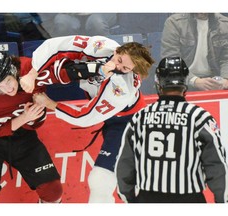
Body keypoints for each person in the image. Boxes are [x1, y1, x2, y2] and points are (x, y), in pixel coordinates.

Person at [22, 35, 155, 202]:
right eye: (119, 59)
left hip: (127, 123)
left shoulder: (120, 89)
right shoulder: (102, 46)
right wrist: (32, 73)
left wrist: (50, 104)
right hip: (107, 111)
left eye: (126, 68)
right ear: (117, 50)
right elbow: (55, 45)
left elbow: (83, 117)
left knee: (100, 180)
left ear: (132, 71)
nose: (117, 66)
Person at [115, 56, 228, 203]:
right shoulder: (200, 118)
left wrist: (128, 197)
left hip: (148, 199)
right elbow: (217, 164)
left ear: (158, 82)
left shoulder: (140, 117)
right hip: (189, 200)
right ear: (185, 82)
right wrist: (222, 201)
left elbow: (124, 163)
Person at [0, 51, 63, 203]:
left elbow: (59, 65)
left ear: (14, 71)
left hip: (23, 135)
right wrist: (25, 118)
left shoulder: (30, 67)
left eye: (8, 81)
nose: (7, 89)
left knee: (53, 191)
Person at [161, 13, 228, 91]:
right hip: (182, 81)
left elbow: (226, 58)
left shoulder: (224, 23)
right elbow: (171, 60)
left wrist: (225, 79)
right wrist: (194, 81)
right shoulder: (174, 22)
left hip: (213, 81)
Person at [39, 13, 117, 37]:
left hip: (98, 13)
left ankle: (103, 54)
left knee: (97, 23)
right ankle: (65, 56)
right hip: (68, 14)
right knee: (63, 22)